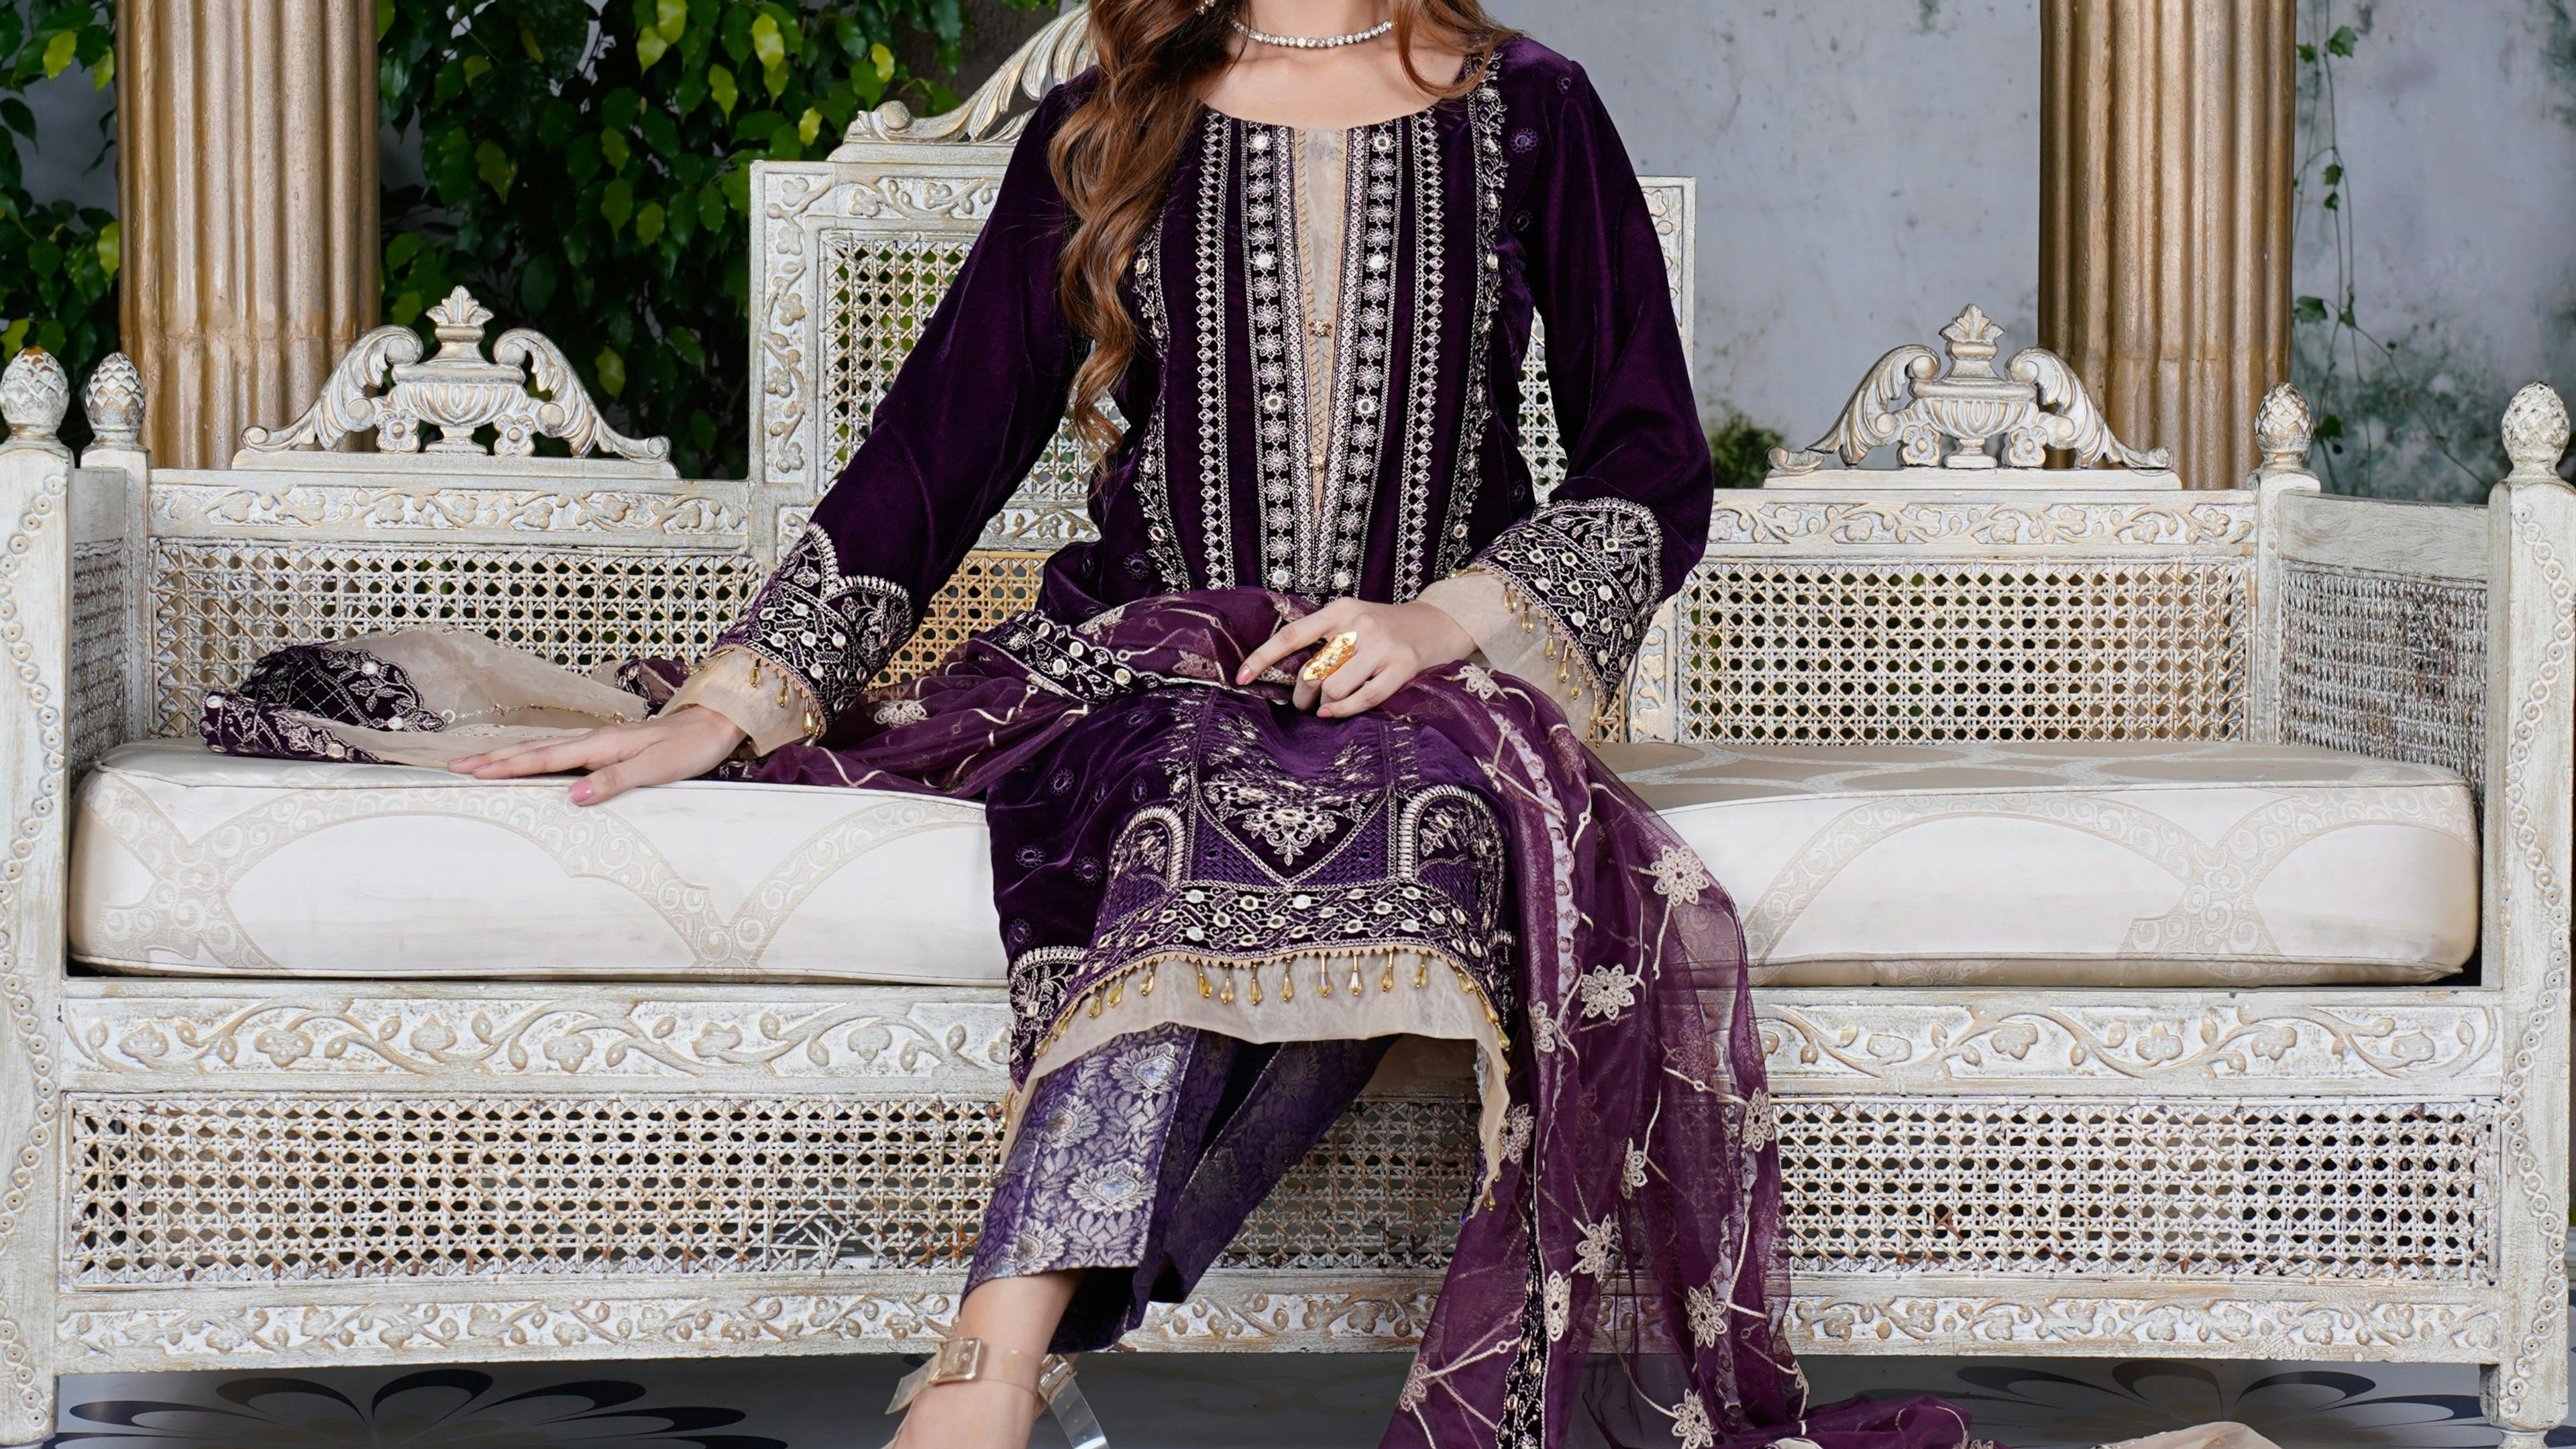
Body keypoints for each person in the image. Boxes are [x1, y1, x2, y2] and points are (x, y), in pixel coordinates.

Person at [448, 5, 1968, 1448]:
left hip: (1425, 693)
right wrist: (726, 707)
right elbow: (936, 449)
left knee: (1416, 821)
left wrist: (1437, 624)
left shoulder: (1534, 113)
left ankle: (989, 1366)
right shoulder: (1116, 122)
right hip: (1157, 672)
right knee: (1206, 788)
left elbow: (1652, 464)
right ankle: (1002, 1351)